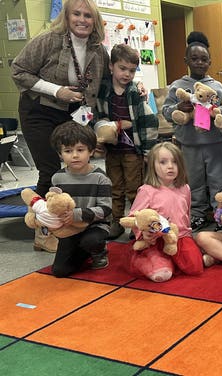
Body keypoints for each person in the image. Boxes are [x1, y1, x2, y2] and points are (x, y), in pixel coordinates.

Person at [12, 0, 108, 198]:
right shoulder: (48, 40)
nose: (82, 20)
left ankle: (72, 215)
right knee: (50, 170)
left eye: (88, 16)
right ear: (66, 16)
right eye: (77, 14)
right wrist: (57, 91)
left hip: (74, 112)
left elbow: (108, 78)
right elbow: (19, 71)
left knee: (77, 165)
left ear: (95, 20)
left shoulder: (98, 49)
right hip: (40, 110)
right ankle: (44, 221)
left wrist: (136, 86)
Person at [162, 31, 222, 231]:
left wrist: (215, 110)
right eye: (194, 59)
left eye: (204, 59)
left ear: (210, 62)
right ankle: (197, 213)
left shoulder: (216, 86)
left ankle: (221, 214)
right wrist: (178, 109)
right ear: (186, 61)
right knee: (194, 182)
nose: (199, 62)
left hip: (215, 143)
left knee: (219, 180)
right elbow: (166, 112)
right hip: (189, 144)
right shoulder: (178, 86)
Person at [95, 43, 159, 239]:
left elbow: (149, 121)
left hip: (133, 151)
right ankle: (117, 222)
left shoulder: (135, 93)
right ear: (111, 67)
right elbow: (98, 117)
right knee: (115, 188)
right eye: (122, 68)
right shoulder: (103, 90)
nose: (127, 74)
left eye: (131, 71)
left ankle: (137, 222)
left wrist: (148, 151)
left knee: (134, 189)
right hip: (113, 150)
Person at [126, 142, 204, 282]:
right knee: (162, 274)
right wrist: (143, 234)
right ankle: (142, 260)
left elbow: (186, 214)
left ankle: (173, 261)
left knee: (195, 268)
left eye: (175, 162)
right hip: (156, 240)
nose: (170, 166)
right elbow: (134, 217)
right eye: (163, 162)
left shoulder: (185, 188)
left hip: (180, 237)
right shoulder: (147, 191)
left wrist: (188, 238)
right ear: (153, 166)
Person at [49, 121, 112, 277]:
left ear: (90, 151)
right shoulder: (57, 178)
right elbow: (54, 204)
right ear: (60, 154)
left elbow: (106, 209)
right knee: (60, 271)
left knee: (90, 241)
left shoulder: (100, 178)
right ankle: (82, 250)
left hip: (95, 225)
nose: (75, 155)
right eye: (68, 151)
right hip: (70, 227)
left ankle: (98, 251)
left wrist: (77, 214)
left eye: (80, 150)